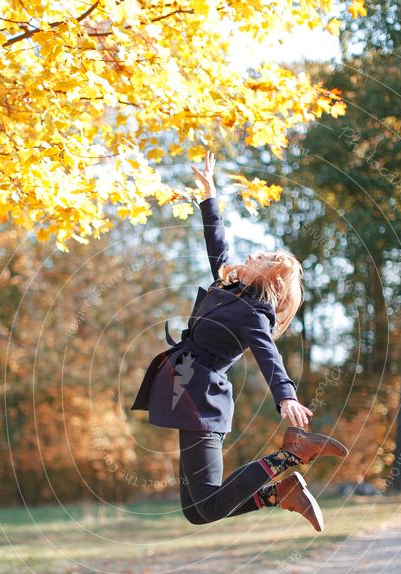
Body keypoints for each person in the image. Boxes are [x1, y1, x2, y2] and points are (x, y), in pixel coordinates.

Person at [131, 150, 348, 531]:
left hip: (202, 396)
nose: (251, 254)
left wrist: (287, 396)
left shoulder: (254, 314)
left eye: (261, 257)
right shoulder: (227, 287)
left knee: (208, 507)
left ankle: (292, 454)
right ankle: (279, 493)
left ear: (272, 279)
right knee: (197, 510)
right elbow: (218, 243)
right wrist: (209, 194)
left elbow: (268, 354)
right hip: (187, 389)